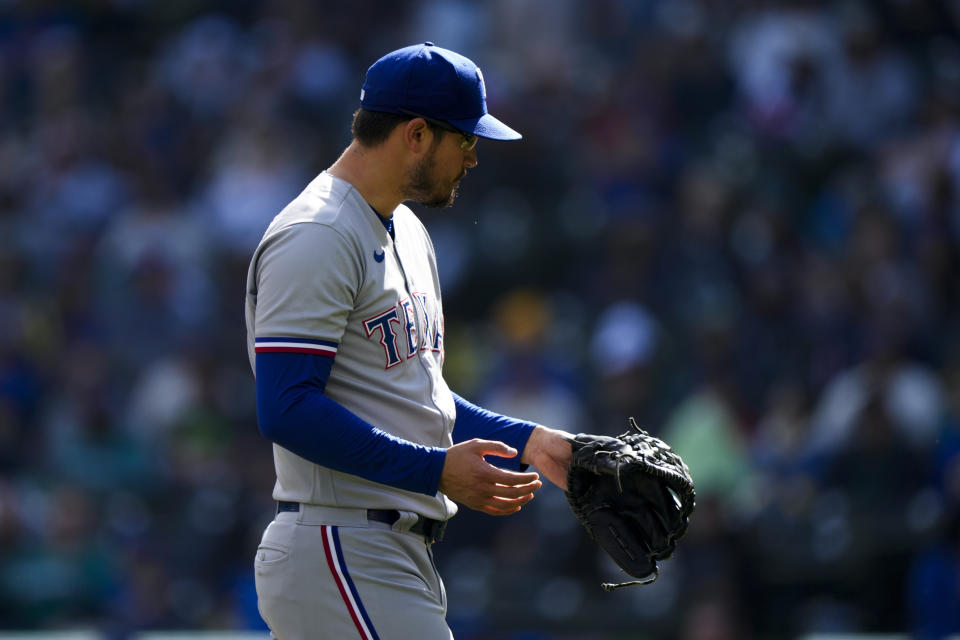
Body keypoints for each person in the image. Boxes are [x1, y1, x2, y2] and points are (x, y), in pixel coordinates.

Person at [244, 42, 573, 639]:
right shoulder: (318, 233)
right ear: (417, 135)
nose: (473, 157)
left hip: (385, 549)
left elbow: (419, 398)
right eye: (465, 139)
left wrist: (534, 442)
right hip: (339, 542)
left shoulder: (409, 229)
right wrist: (435, 471)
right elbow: (286, 407)